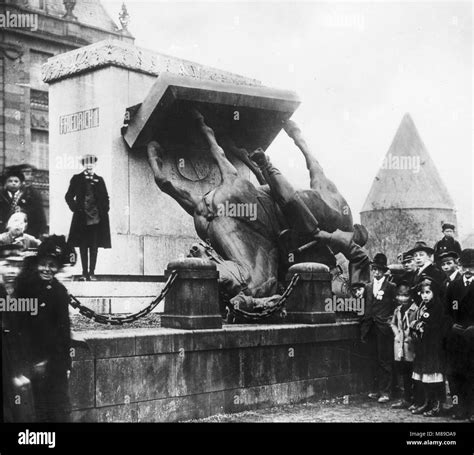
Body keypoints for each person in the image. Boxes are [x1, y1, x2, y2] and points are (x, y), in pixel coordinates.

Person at [11, 235, 75, 422]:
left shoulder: (59, 292)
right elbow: (18, 325)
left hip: (54, 365)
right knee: (35, 413)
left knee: (59, 410)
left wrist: (66, 363)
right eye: (44, 264)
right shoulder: (24, 286)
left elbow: (64, 330)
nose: (47, 269)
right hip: (30, 362)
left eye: (52, 265)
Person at [65, 154, 111, 280]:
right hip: (82, 218)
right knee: (83, 245)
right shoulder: (77, 179)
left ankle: (92, 272)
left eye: (92, 163)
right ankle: (84, 272)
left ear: (95, 164)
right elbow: (68, 196)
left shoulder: (99, 180)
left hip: (96, 218)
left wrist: (104, 209)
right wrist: (76, 209)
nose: (89, 165)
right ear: (83, 165)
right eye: (87, 163)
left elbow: (106, 197)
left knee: (94, 246)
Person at [360, 253, 396, 403]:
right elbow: (363, 307)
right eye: (374, 269)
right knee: (372, 359)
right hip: (370, 327)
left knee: (384, 360)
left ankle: (385, 391)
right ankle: (374, 390)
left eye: (379, 270)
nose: (376, 272)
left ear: (384, 271)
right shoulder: (367, 287)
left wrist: (389, 322)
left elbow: (394, 307)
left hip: (383, 328)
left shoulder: (391, 287)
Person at [410, 277, 446, 417]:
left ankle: (438, 405)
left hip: (433, 346)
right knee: (424, 376)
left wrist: (424, 326)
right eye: (423, 292)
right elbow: (419, 320)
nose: (425, 295)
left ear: (434, 293)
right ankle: (427, 402)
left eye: (428, 292)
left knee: (433, 376)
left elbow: (438, 325)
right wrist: (416, 325)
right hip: (423, 346)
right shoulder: (422, 305)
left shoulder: (438, 306)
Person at [445, 248, 474, 421]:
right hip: (456, 338)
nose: (468, 270)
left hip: (473, 338)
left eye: (472, 266)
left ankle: (472, 410)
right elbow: (447, 311)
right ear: (460, 266)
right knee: (456, 375)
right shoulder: (454, 285)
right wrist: (452, 326)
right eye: (465, 266)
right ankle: (459, 408)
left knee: (472, 374)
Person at [390, 281, 418, 409]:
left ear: (411, 296)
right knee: (404, 372)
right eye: (400, 295)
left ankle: (416, 399)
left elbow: (416, 325)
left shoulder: (415, 309)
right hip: (400, 346)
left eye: (406, 295)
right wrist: (397, 334)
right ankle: (407, 398)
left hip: (411, 345)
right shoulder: (398, 310)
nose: (402, 298)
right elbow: (393, 323)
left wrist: (409, 334)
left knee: (414, 372)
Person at [6, 164, 47, 239]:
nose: (28, 176)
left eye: (30, 174)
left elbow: (40, 214)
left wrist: (42, 231)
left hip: (29, 230)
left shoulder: (33, 193)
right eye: (25, 173)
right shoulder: (9, 191)